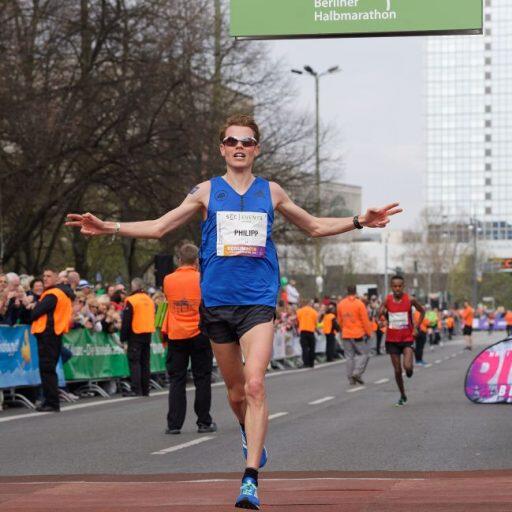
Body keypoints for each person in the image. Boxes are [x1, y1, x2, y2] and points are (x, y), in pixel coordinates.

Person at [66, 113, 401, 510]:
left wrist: (359, 220)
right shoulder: (206, 191)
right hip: (217, 304)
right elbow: (159, 227)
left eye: (247, 141)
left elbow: (313, 226)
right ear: (222, 148)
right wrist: (109, 227)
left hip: (258, 302)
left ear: (256, 149)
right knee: (237, 392)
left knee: (256, 384)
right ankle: (247, 429)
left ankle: (250, 478)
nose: (239, 147)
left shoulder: (271, 191)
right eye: (232, 141)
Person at [162, 243, 216, 435]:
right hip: (200, 333)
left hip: (176, 334)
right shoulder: (202, 278)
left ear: (179, 260)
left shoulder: (168, 279)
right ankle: (204, 422)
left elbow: (167, 303)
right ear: (197, 261)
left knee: (177, 380)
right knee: (202, 378)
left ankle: (174, 424)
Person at [30, 268, 74, 412]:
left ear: (56, 278)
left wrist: (34, 307)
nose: (45, 278)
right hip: (54, 334)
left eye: (49, 276)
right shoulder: (61, 294)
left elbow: (35, 312)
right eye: (44, 276)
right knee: (49, 369)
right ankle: (50, 401)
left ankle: (51, 402)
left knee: (47, 369)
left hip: (48, 334)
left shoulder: (52, 294)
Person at [379, 275, 424, 406]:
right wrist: (382, 321)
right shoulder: (387, 300)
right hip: (392, 340)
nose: (397, 288)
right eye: (395, 286)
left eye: (400, 286)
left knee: (407, 367)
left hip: (407, 338)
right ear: (391, 287)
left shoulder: (410, 299)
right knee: (398, 370)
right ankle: (403, 395)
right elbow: (379, 314)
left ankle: (410, 369)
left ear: (403, 286)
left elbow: (422, 312)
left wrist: (416, 327)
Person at [120, 278, 155, 397]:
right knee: (145, 362)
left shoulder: (131, 300)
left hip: (135, 333)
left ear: (134, 286)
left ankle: (136, 389)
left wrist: (123, 338)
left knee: (134, 362)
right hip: (148, 333)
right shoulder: (149, 300)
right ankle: (146, 389)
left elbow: (126, 321)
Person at [337, 285, 373, 385]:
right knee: (364, 354)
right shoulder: (359, 304)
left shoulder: (341, 304)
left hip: (346, 334)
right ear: (355, 292)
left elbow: (339, 320)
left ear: (347, 291)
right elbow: (365, 320)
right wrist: (368, 332)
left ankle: (351, 379)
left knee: (349, 357)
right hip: (358, 334)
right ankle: (357, 373)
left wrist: (343, 329)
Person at [296, 299, 319, 368]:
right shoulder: (314, 312)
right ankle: (311, 363)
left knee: (304, 348)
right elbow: (316, 323)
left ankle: (306, 363)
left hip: (303, 331)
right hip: (311, 331)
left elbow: (298, 320)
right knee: (312, 347)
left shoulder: (299, 311)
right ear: (310, 304)